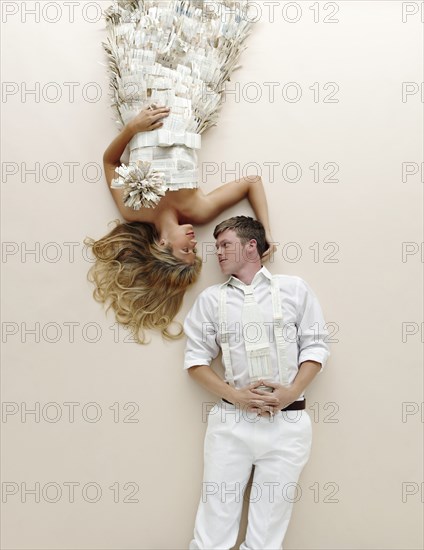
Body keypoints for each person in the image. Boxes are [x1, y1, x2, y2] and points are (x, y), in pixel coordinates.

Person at [183, 215, 330, 549]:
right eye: (216, 246)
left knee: (267, 535)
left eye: (225, 245)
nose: (217, 252)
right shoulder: (210, 300)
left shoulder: (294, 289)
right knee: (212, 531)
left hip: (288, 424)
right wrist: (236, 396)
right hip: (231, 424)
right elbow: (195, 361)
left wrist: (292, 391)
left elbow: (317, 346)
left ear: (252, 247)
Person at [85, 107, 274, 344]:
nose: (194, 243)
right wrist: (266, 232)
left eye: (186, 249)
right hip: (185, 106)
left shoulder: (132, 210)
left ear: (162, 244)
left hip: (142, 105)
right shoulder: (199, 211)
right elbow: (251, 182)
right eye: (194, 250)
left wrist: (132, 128)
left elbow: (109, 162)